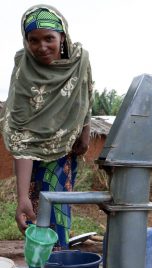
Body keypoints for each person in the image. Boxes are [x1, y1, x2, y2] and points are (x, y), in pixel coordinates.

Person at [1, 5, 93, 252]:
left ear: (62, 36)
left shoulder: (80, 60)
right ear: (26, 40)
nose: (41, 47)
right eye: (33, 40)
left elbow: (86, 97)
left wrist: (84, 133)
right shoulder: (24, 69)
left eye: (49, 38)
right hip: (31, 163)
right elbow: (22, 134)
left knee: (59, 219)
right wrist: (21, 197)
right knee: (35, 222)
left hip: (65, 154)